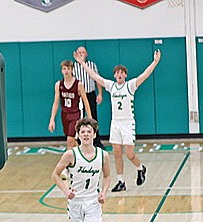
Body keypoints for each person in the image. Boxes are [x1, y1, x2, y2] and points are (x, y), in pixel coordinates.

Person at [76, 49, 160, 192]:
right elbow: (95, 76)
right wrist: (83, 64)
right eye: (117, 73)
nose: (119, 74)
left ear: (125, 75)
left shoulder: (130, 85)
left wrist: (155, 61)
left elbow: (145, 75)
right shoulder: (111, 86)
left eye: (122, 73)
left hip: (128, 123)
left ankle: (140, 168)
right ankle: (121, 181)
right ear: (114, 75)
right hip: (115, 123)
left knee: (129, 154)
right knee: (116, 153)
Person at [48, 60, 92, 151]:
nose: (66, 71)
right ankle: (84, 154)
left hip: (76, 114)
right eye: (64, 69)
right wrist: (52, 120)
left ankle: (69, 162)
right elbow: (56, 103)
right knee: (72, 140)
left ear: (72, 70)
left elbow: (86, 101)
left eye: (68, 69)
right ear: (61, 71)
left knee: (69, 140)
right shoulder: (58, 84)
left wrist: (90, 118)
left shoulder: (78, 84)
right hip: (64, 114)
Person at [72, 46, 103, 149]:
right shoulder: (73, 67)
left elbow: (97, 79)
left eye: (83, 52)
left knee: (93, 118)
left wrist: (100, 94)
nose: (81, 54)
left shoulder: (91, 65)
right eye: (79, 52)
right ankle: (79, 141)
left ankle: (96, 141)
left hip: (90, 94)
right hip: (79, 96)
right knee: (79, 118)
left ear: (86, 54)